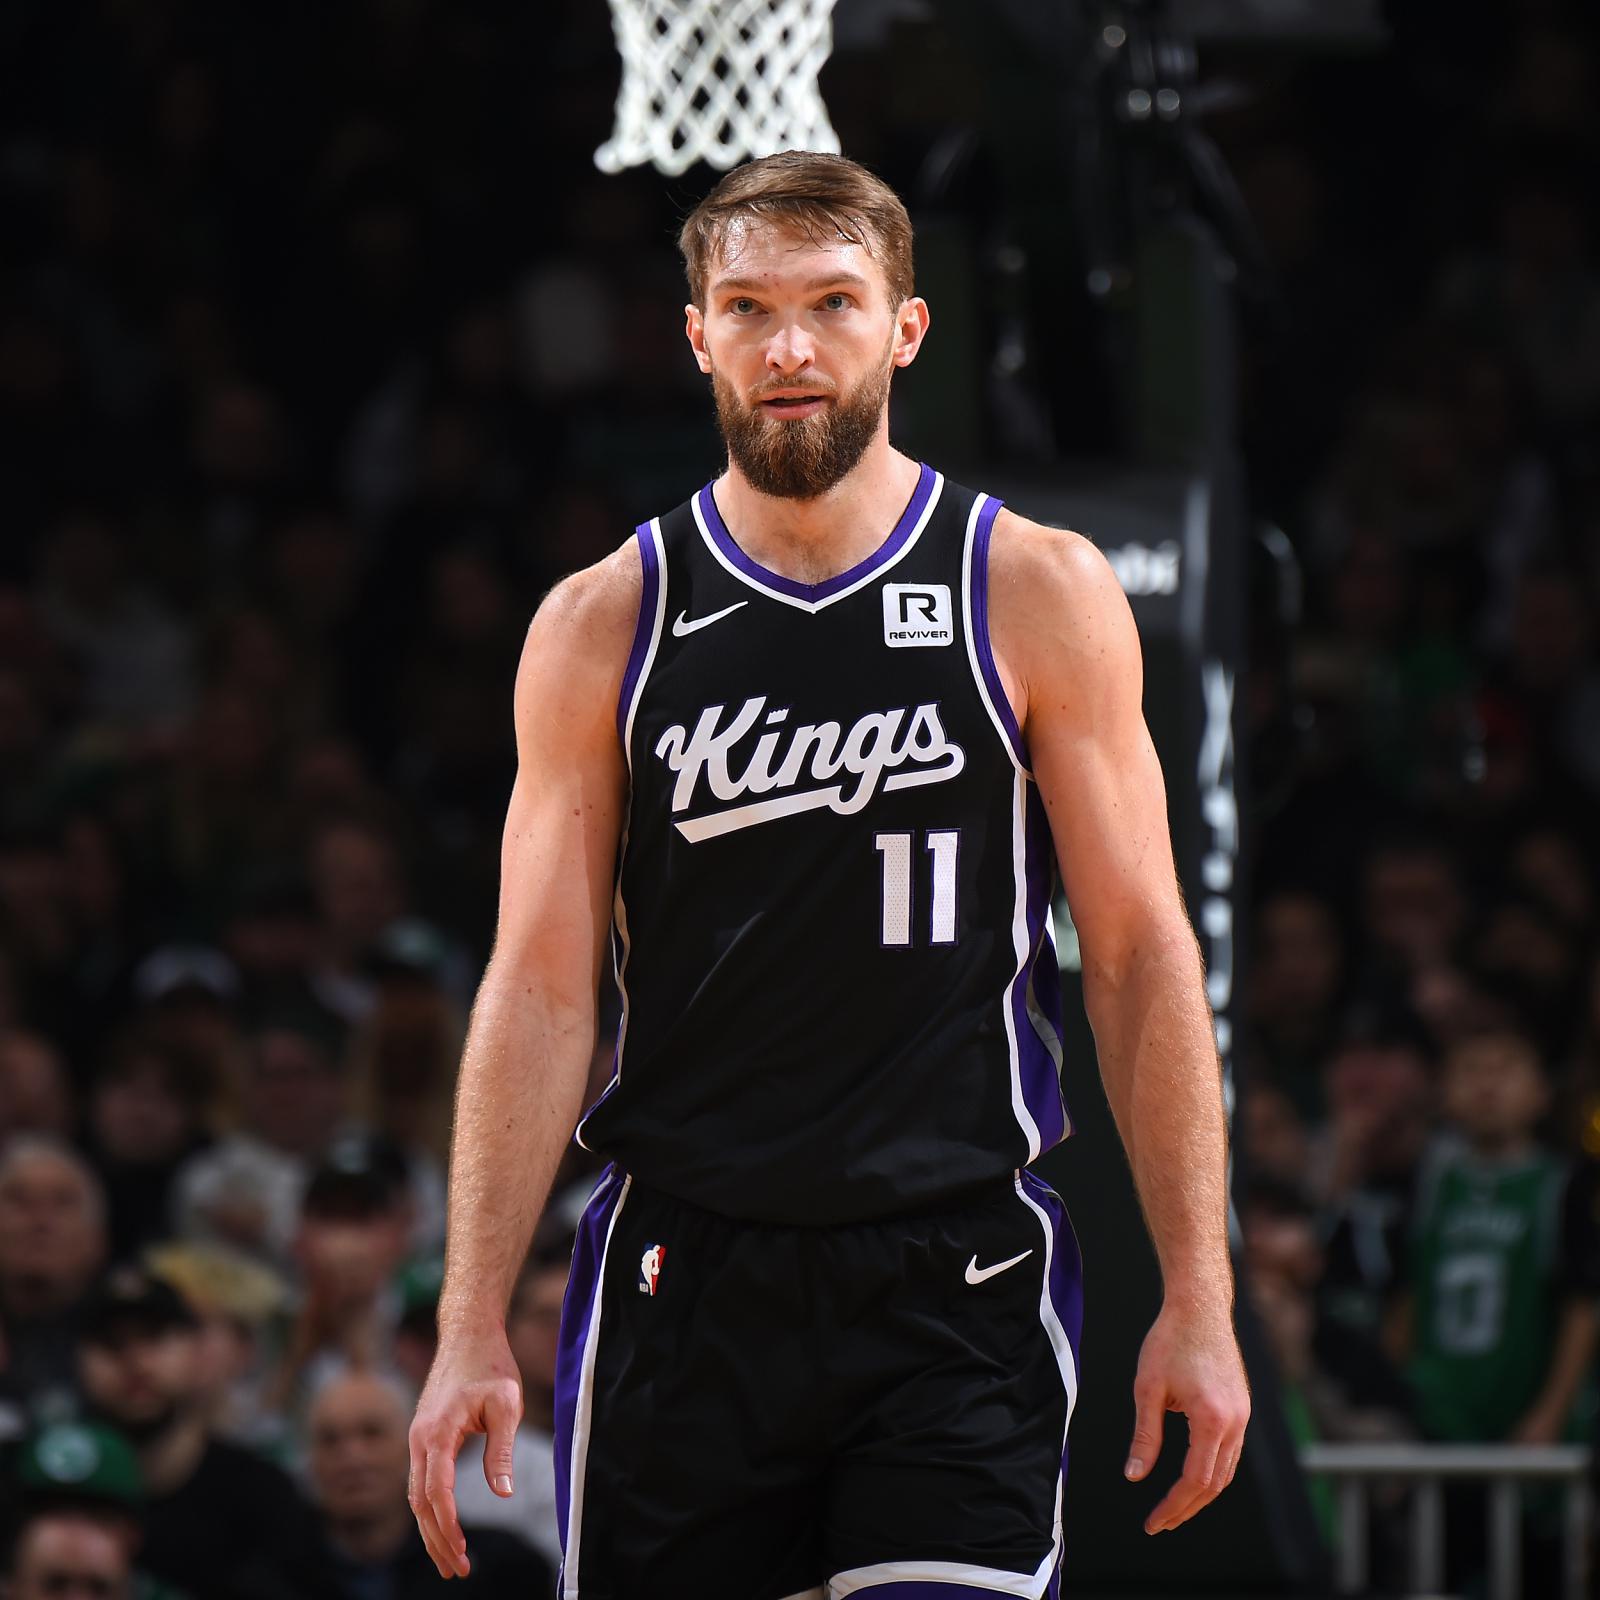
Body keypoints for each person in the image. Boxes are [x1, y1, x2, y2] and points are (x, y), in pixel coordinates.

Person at [408, 151, 1248, 1598]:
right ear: (697, 336)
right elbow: (539, 989)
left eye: (832, 304)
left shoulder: (1030, 588)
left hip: (953, 1274)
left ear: (904, 329)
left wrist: (1202, 1293)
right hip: (688, 1275)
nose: (789, 348)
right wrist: (467, 1317)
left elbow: (1136, 952)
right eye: (748, 308)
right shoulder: (604, 621)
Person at [73, 1265, 333, 1600]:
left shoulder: (262, 1496)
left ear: (196, 1352)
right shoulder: (54, 1493)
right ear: (79, 1360)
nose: (135, 1360)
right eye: (112, 1343)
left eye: (153, 1337)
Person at [307, 1371, 550, 1598]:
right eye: (330, 1440)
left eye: (372, 1433)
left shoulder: (501, 1570)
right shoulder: (288, 1572)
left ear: (416, 1448)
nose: (352, 1458)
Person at [0, 1136, 107, 1414]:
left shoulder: (131, 1341)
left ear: (97, 1239)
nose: (40, 1220)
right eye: (18, 1200)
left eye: (63, 1203)